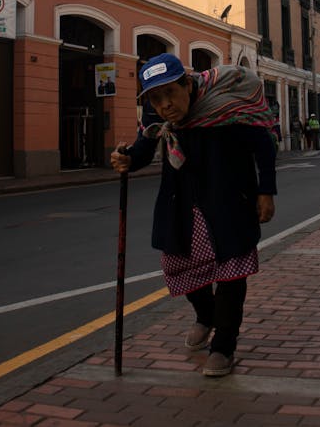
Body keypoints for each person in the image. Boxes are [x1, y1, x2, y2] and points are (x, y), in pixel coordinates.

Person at [110, 53, 277, 378]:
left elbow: (263, 143)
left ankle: (224, 346)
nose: (165, 105)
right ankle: (207, 314)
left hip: (229, 198)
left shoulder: (224, 101)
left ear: (187, 83)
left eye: (171, 92)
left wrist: (265, 191)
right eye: (156, 98)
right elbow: (145, 146)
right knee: (178, 266)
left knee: (231, 271)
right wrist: (127, 159)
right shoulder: (156, 113)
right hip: (182, 202)